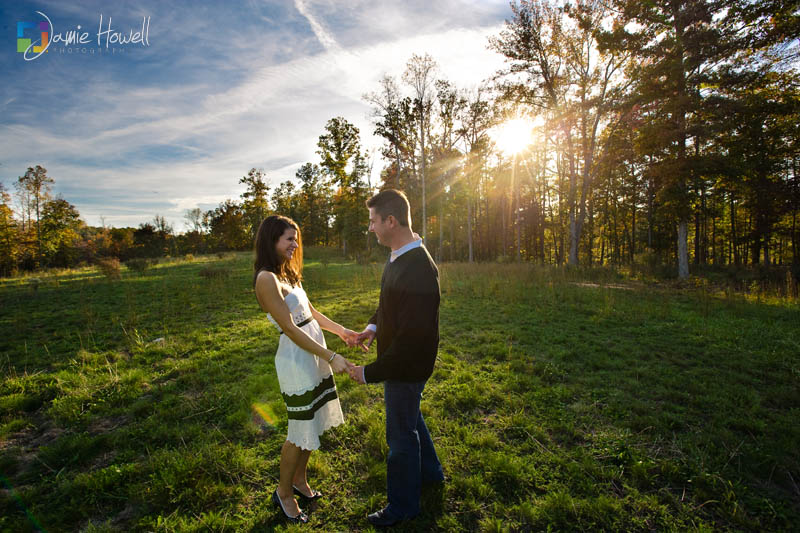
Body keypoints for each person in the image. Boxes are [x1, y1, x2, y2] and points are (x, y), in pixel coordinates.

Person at [348, 189, 445, 527]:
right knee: (410, 418)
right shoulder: (398, 254)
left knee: (400, 437)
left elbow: (409, 341)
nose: (370, 228)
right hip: (400, 363)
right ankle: (432, 474)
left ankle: (403, 507)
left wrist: (367, 373)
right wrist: (373, 326)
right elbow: (389, 302)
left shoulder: (418, 267)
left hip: (406, 367)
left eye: (374, 221)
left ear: (391, 221)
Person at [253, 215, 356, 524]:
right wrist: (332, 356)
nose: (294, 244)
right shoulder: (266, 279)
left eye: (295, 238)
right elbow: (291, 329)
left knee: (316, 420)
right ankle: (283, 492)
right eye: (288, 238)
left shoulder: (290, 274)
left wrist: (343, 332)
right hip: (296, 360)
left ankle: (299, 479)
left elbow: (311, 314)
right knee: (299, 430)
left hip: (314, 351)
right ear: (272, 241)